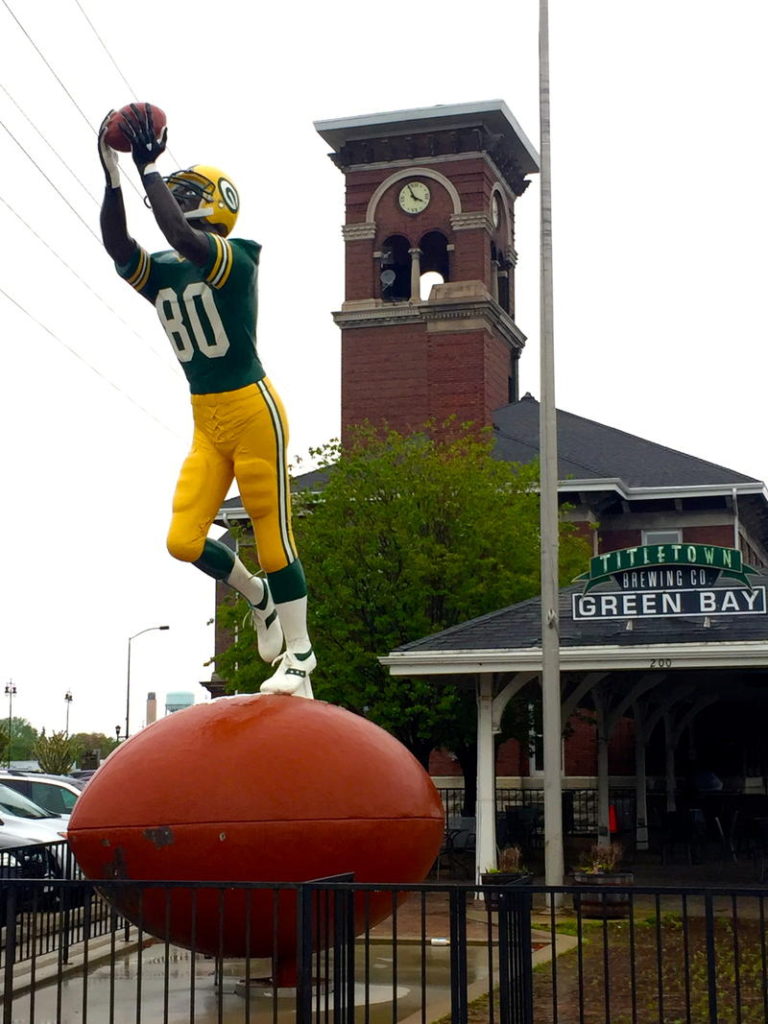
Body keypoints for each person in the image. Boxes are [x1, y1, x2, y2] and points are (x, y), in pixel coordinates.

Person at [97, 104, 315, 698]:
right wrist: (116, 176)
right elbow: (120, 246)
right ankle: (258, 596)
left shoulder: (236, 258)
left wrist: (149, 171)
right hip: (206, 420)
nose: (177, 193)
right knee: (184, 540)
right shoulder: (168, 269)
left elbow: (178, 235)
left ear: (217, 201)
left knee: (272, 536)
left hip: (251, 409)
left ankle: (301, 656)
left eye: (188, 189)